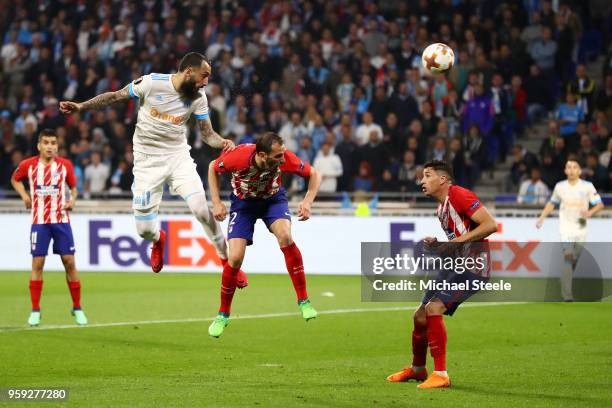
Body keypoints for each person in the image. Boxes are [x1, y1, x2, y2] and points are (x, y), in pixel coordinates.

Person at [59, 52, 247, 285]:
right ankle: (158, 239)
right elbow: (114, 96)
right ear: (189, 71)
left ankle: (227, 262)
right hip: (147, 162)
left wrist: (223, 142)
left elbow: (207, 134)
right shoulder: (151, 83)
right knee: (144, 231)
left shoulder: (198, 96)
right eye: (204, 75)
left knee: (201, 209)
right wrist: (81, 106)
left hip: (178, 157)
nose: (206, 82)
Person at [387, 160, 498, 389]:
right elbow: (457, 243)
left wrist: (454, 242)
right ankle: (418, 370)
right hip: (455, 265)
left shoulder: (459, 194)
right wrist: (439, 244)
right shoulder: (441, 209)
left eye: (427, 176)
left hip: (474, 267)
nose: (422, 181)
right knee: (419, 315)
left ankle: (441, 374)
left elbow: (489, 225)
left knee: (433, 308)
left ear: (443, 179)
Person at [207, 132, 322, 338]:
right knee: (234, 258)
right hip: (243, 205)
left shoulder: (284, 158)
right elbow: (212, 168)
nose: (282, 159)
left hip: (273, 200)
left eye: (282, 154)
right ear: (262, 155)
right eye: (277, 156)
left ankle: (304, 300)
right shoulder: (238, 157)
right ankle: (223, 314)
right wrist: (216, 202)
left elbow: (314, 174)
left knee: (285, 236)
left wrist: (307, 201)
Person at [10, 128, 88, 327]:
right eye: (46, 142)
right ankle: (35, 310)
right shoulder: (28, 165)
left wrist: (73, 200)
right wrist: (25, 196)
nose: (50, 146)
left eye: (53, 143)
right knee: (38, 264)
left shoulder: (65, 166)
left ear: (57, 146)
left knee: (69, 262)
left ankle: (77, 307)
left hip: (61, 219)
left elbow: (74, 188)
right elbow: (14, 179)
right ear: (39, 146)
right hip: (40, 222)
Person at [536, 160, 604, 301]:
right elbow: (552, 203)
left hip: (581, 228)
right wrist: (542, 217)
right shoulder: (560, 187)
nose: (571, 170)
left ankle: (564, 279)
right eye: (568, 167)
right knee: (568, 257)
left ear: (580, 171)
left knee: (573, 260)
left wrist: (590, 213)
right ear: (565, 171)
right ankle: (567, 295)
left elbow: (600, 204)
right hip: (565, 228)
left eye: (574, 167)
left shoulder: (587, 186)